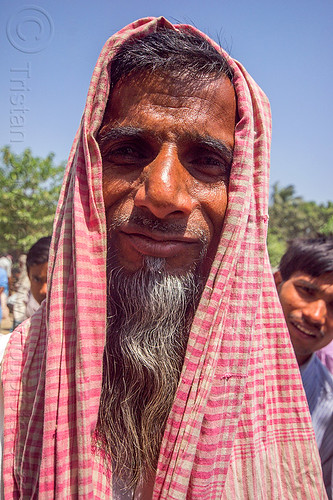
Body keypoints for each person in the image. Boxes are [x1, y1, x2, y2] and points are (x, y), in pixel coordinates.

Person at [1, 17, 326, 499]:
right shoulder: (12, 379)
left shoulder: (270, 394)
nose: (164, 193)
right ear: (85, 176)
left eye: (208, 161)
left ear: (242, 197)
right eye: (129, 150)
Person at [274, 236, 333, 499]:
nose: (316, 315)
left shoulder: (328, 405)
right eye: (307, 291)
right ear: (276, 282)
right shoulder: (206, 361)